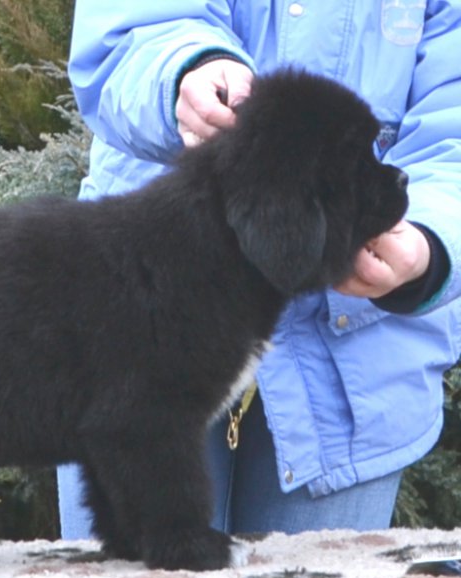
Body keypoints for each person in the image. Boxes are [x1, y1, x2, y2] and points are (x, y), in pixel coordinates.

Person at [58, 2, 461, 538]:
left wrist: (429, 242)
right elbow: (129, 27)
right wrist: (188, 68)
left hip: (353, 362)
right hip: (148, 315)